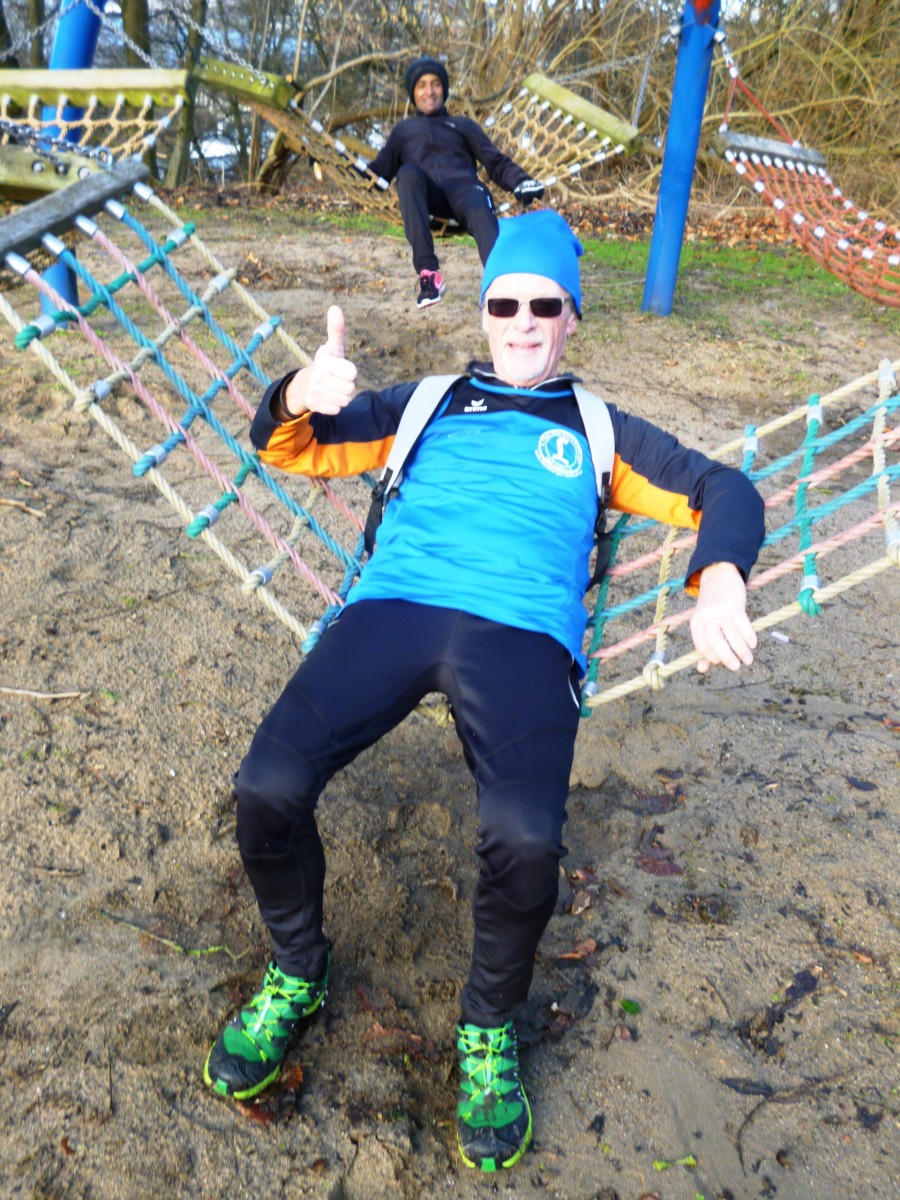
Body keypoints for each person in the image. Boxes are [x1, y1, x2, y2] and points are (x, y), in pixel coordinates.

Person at [203, 210, 765, 1173]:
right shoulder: (425, 404)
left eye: (544, 305)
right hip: (396, 606)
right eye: (505, 304)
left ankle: (490, 1025)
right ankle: (298, 969)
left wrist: (719, 577)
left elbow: (728, 488)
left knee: (526, 840)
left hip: (523, 637)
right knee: (266, 785)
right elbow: (286, 445)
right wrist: (298, 390)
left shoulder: (602, 432)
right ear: (484, 311)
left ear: (572, 317)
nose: (523, 323)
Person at [364, 55, 545, 310]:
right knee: (406, 174)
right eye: (422, 85)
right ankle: (429, 275)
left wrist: (521, 182)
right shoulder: (404, 131)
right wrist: (340, 166)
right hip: (427, 200)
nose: (429, 91)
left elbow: (494, 161)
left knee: (479, 202)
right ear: (413, 93)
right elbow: (376, 175)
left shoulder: (462, 125)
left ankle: (501, 284)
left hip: (465, 192)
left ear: (444, 89)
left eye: (435, 84)